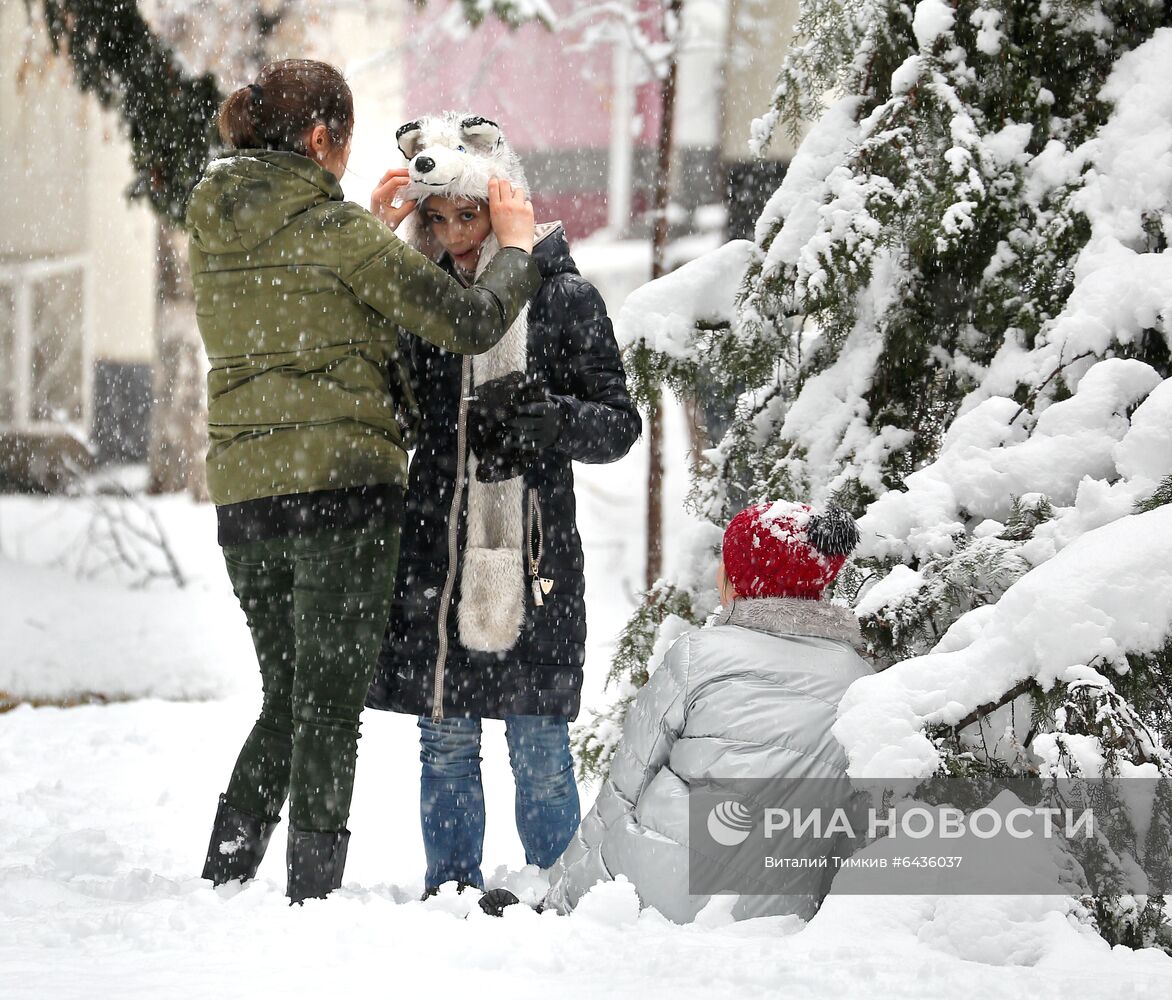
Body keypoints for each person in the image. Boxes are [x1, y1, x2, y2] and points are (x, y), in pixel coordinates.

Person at [187, 61, 541, 903]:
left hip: (246, 488)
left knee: (288, 694)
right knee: (327, 703)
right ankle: (310, 893)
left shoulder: (211, 223)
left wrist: (372, 240)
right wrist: (518, 247)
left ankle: (226, 870)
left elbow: (305, 311)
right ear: (319, 141)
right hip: (343, 489)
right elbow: (469, 321)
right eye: (341, 145)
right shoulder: (336, 232)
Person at [363, 112, 641, 897]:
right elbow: (389, 399)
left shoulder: (563, 297)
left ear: (504, 202)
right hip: (436, 552)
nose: (452, 233)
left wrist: (549, 419)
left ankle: (556, 894)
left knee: (538, 744)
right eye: (437, 216)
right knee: (444, 739)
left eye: (469, 212)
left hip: (534, 553)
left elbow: (619, 423)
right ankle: (448, 893)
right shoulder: (416, 297)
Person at [535, 500, 873, 922]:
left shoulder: (699, 655)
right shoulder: (861, 680)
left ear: (740, 582)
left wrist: (556, 896)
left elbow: (627, 787)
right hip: (779, 913)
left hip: (657, 886)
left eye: (725, 565)